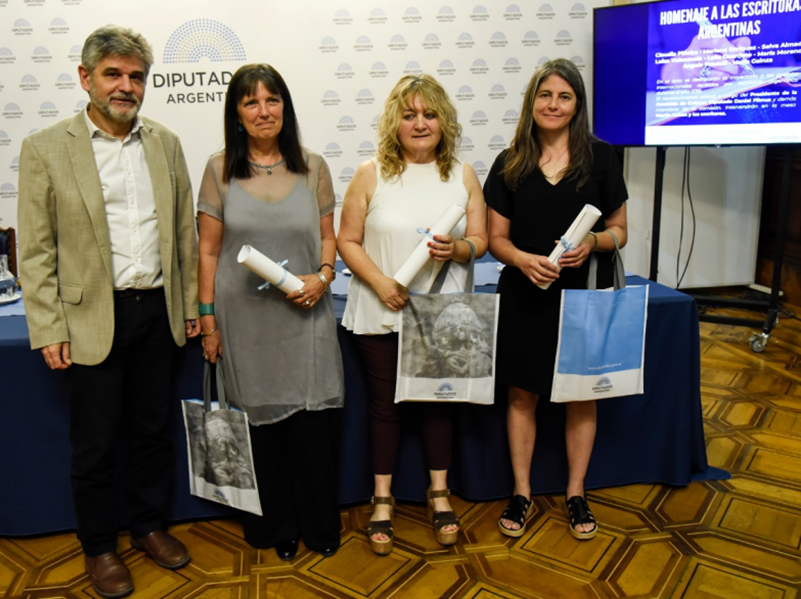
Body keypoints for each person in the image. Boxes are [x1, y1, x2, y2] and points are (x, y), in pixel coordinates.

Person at [17, 24, 199, 599]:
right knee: (94, 444)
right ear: (85, 78)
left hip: (157, 311)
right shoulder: (45, 148)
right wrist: (47, 324)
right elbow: (36, 249)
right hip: (91, 319)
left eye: (136, 76)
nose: (126, 87)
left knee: (152, 433)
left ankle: (147, 526)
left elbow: (184, 237)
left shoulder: (165, 143)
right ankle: (99, 546)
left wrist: (191, 304)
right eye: (113, 75)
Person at [196, 63, 345, 562]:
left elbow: (329, 238)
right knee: (263, 433)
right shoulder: (218, 170)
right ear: (236, 114)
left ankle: (321, 525)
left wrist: (322, 277)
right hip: (245, 322)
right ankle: (277, 527)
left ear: (286, 106)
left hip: (306, 314)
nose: (264, 111)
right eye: (251, 102)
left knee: (312, 429)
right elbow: (208, 253)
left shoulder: (314, 166)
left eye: (273, 99)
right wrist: (209, 321)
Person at [337, 74, 488, 555]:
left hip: (442, 314)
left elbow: (481, 243)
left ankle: (438, 492)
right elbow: (346, 241)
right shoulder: (370, 172)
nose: (419, 123)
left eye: (428, 114)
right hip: (382, 309)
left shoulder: (462, 175)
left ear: (443, 120)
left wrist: (458, 248)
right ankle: (382, 500)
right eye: (409, 114)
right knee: (386, 407)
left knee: (437, 404)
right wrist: (382, 283)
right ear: (394, 122)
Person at [483, 58, 628, 541]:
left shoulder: (602, 158)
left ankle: (575, 492)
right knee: (522, 393)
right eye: (545, 95)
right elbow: (495, 239)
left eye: (564, 96)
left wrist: (594, 244)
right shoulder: (509, 163)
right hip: (525, 294)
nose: (553, 104)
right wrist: (523, 260)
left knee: (580, 395)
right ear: (531, 102)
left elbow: (621, 232)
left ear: (577, 105)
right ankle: (522, 492)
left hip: (582, 297)